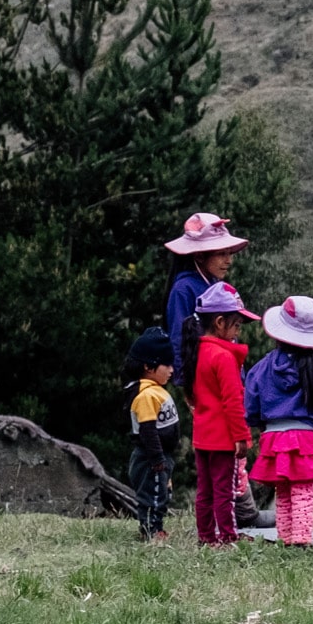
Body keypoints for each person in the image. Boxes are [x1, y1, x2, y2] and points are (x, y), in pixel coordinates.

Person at [244, 296, 313, 547]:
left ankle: (286, 538)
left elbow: (251, 405)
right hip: (307, 440)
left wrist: (257, 425)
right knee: (303, 493)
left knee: (284, 491)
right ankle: (301, 539)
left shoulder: (261, 369)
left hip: (273, 439)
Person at [181, 280, 256, 546]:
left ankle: (206, 537)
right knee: (224, 491)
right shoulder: (224, 357)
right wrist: (242, 437)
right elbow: (233, 401)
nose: (238, 331)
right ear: (220, 322)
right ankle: (227, 536)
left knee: (206, 491)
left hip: (202, 437)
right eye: (236, 325)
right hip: (223, 438)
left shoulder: (197, 352)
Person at [162, 213, 250, 388]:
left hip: (225, 375)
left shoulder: (216, 285)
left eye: (229, 253)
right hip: (204, 382)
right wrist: (186, 386)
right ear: (200, 256)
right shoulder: (183, 289)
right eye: (221, 254)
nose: (228, 260)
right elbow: (179, 338)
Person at [121, 327, 180, 543]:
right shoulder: (145, 395)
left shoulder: (156, 390)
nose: (172, 370)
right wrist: (157, 460)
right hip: (150, 457)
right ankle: (151, 531)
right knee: (152, 495)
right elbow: (147, 430)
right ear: (148, 366)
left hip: (161, 455)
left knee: (161, 494)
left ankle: (157, 527)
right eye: (167, 365)